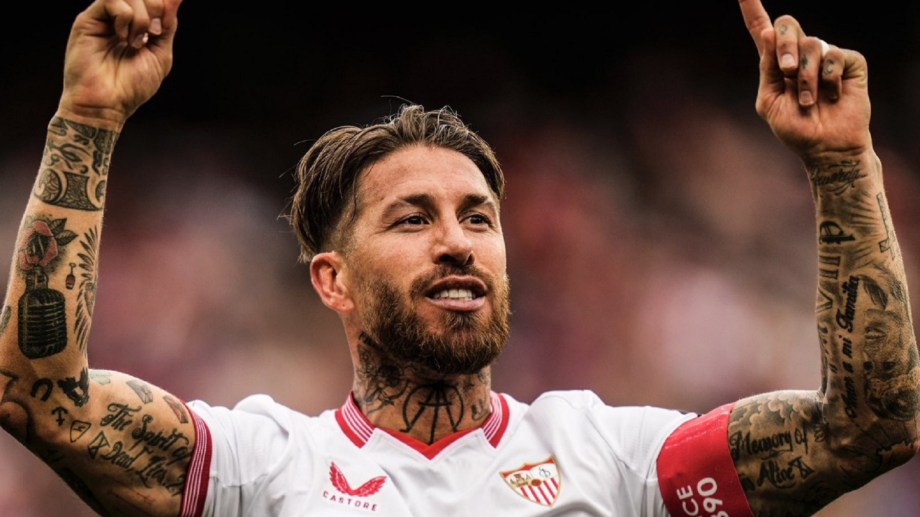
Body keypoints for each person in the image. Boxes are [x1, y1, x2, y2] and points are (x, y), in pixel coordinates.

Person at [1, 0, 917, 515]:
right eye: (412, 219)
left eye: (478, 217)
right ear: (333, 279)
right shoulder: (260, 467)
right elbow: (40, 395)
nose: (457, 240)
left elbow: (869, 428)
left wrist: (844, 165)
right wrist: (89, 117)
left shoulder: (615, 457)